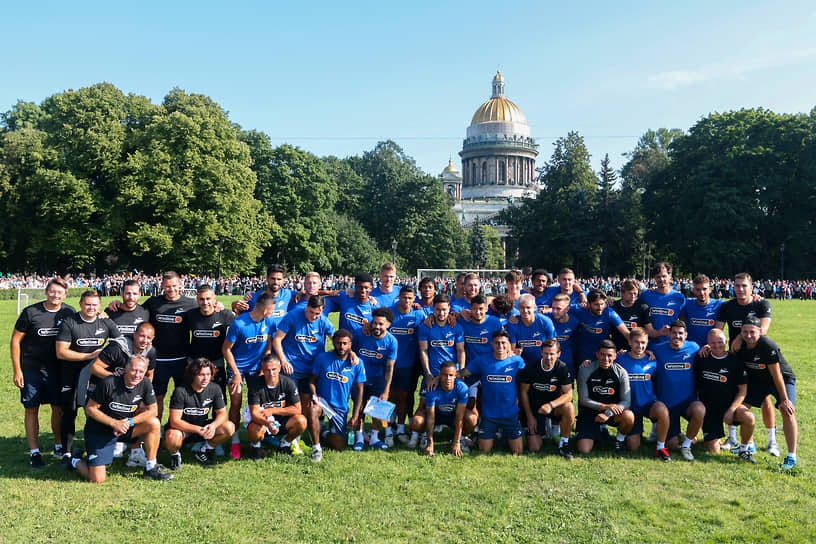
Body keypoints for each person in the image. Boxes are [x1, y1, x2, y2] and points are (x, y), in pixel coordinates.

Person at [71, 355, 172, 482]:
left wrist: (129, 422)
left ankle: (151, 468)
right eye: (134, 370)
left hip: (125, 428)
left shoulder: (145, 383)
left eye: (141, 371)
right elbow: (90, 409)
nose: (137, 375)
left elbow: (153, 410)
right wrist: (114, 423)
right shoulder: (109, 382)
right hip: (100, 431)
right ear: (126, 368)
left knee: (154, 423)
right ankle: (75, 460)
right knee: (97, 479)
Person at [10, 277, 75, 466]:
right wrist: (17, 370)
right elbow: (15, 341)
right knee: (31, 409)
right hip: (31, 369)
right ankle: (34, 452)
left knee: (58, 408)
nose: (56, 295)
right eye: (52, 291)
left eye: (60, 292)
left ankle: (58, 445)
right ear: (46, 292)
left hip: (57, 370)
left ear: (65, 294)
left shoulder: (69, 312)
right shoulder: (31, 312)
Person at [56, 290, 121, 468]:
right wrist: (89, 356)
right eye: (87, 304)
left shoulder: (105, 321)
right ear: (80, 304)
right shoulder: (70, 322)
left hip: (97, 375)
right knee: (69, 412)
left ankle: (95, 448)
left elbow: (121, 342)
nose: (91, 307)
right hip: (71, 374)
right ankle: (66, 453)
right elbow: (61, 352)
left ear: (99, 306)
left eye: (94, 304)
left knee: (96, 412)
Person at [714, 272, 777, 456]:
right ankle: (733, 438)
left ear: (752, 288)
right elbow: (718, 330)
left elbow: (763, 330)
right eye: (737, 286)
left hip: (759, 358)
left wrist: (741, 336)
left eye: (744, 286)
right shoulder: (727, 306)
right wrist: (716, 346)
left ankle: (772, 441)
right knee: (734, 395)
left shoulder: (761, 304)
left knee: (764, 398)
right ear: (732, 287)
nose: (740, 289)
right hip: (737, 359)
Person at [88, 322, 157, 467]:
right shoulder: (117, 348)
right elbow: (94, 368)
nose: (145, 340)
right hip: (107, 392)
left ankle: (136, 453)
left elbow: (150, 374)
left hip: (130, 392)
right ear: (134, 335)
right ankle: (113, 443)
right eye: (142, 336)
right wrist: (115, 379)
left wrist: (143, 393)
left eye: (148, 337)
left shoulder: (150, 351)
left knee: (144, 411)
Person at [735, 317, 798, 469]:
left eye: (752, 332)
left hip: (782, 379)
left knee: (787, 410)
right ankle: (748, 445)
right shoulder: (740, 344)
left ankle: (791, 456)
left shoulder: (768, 345)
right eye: (745, 332)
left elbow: (777, 375)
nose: (748, 335)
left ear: (760, 331)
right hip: (759, 379)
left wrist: (784, 400)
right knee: (741, 408)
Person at [221, 292, 278, 459]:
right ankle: (235, 440)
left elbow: (268, 345)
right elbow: (226, 349)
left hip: (257, 367)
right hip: (237, 368)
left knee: (259, 404)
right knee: (236, 403)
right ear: (266, 309)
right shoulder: (239, 323)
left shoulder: (269, 322)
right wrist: (236, 373)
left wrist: (264, 364)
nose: (273, 312)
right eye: (272, 309)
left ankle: (257, 441)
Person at [141, 271, 197, 420]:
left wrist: (218, 305)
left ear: (180, 285)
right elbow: (135, 313)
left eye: (174, 286)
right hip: (159, 359)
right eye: (167, 286)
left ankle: (181, 430)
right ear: (162, 286)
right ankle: (157, 430)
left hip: (182, 359)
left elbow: (206, 313)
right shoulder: (153, 302)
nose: (171, 289)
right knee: (158, 397)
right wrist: (116, 305)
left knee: (184, 397)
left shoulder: (191, 304)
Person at [458, 330, 526, 454]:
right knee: (484, 450)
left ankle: (505, 436)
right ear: (492, 344)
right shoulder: (482, 361)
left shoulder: (517, 361)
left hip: (510, 414)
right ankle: (496, 435)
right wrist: (442, 377)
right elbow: (462, 373)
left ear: (509, 344)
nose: (500, 346)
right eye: (497, 343)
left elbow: (526, 382)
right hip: (489, 415)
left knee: (518, 451)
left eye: (503, 343)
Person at [694, 329, 755, 462]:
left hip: (730, 407)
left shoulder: (735, 361)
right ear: (708, 343)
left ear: (726, 341)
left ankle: (744, 449)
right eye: (713, 343)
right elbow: (696, 387)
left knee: (749, 417)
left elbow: (742, 391)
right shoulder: (702, 358)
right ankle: (713, 437)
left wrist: (731, 410)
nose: (717, 346)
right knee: (714, 452)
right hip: (709, 410)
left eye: (720, 342)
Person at [307, 330, 366, 462]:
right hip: (323, 402)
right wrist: (314, 395)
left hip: (340, 408)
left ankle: (324, 432)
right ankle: (317, 448)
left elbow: (360, 390)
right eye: (339, 343)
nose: (342, 346)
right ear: (333, 342)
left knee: (339, 446)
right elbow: (312, 380)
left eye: (345, 343)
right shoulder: (322, 358)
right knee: (312, 410)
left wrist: (356, 416)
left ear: (350, 344)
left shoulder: (357, 363)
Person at [165, 357, 234, 468]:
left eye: (208, 374)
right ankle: (175, 455)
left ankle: (204, 450)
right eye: (201, 374)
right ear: (193, 374)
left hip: (204, 427)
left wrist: (212, 426)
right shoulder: (181, 391)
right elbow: (174, 421)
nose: (205, 378)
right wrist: (198, 430)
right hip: (183, 429)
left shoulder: (215, 388)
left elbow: (222, 414)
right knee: (172, 436)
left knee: (229, 427)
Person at [271, 295, 335, 415]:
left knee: (308, 402)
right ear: (307, 306)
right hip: (292, 367)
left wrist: (339, 350)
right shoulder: (293, 316)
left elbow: (336, 339)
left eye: (318, 313)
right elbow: (277, 339)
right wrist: (284, 361)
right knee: (291, 403)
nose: (314, 316)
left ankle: (306, 428)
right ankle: (293, 431)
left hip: (312, 369)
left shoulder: (323, 320)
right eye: (312, 312)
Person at [652, 320, 705, 461]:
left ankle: (687, 446)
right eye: (674, 333)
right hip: (667, 403)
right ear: (669, 333)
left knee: (700, 410)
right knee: (672, 446)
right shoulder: (657, 349)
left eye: (680, 333)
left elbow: (704, 358)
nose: (677, 336)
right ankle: (677, 434)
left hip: (688, 401)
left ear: (686, 335)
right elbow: (642, 354)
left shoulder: (694, 347)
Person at [615, 328, 671, 460]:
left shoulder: (652, 360)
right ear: (629, 342)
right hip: (629, 406)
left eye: (643, 343)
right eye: (636, 342)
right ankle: (623, 436)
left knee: (662, 410)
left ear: (647, 343)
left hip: (647, 403)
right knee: (633, 447)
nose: (640, 346)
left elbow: (658, 380)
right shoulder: (619, 359)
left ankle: (661, 448)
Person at [518, 339, 575, 459]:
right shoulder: (531, 367)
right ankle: (535, 430)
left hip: (552, 407)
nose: (548, 357)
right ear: (541, 353)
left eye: (552, 354)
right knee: (534, 447)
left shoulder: (562, 368)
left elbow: (569, 394)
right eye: (546, 353)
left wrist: (551, 405)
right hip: (535, 408)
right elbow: (523, 392)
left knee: (569, 407)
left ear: (558, 354)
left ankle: (563, 443)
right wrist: (529, 417)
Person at [351, 307, 397, 451]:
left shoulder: (392, 341)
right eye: (375, 323)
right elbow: (349, 348)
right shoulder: (361, 333)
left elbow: (390, 367)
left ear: (388, 324)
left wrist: (386, 389)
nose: (376, 326)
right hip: (359, 378)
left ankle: (375, 438)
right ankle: (359, 438)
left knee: (377, 407)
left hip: (377, 377)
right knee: (359, 407)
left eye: (381, 324)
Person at [576, 340, 634, 454]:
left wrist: (607, 413)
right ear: (597, 354)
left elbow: (626, 401)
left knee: (629, 416)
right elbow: (583, 400)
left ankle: (619, 440)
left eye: (609, 355)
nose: (606, 359)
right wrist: (604, 407)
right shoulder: (585, 370)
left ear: (615, 356)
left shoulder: (621, 373)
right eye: (602, 354)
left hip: (611, 413)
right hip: (589, 413)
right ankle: (596, 432)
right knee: (584, 450)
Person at [246, 355, 308, 459]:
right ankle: (256, 446)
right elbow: (254, 414)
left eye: (274, 369)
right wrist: (268, 424)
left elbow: (297, 409)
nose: (271, 373)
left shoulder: (288, 383)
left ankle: (285, 443)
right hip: (263, 422)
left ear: (279, 368)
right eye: (267, 370)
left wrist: (273, 410)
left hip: (282, 421)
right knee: (253, 429)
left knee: (301, 421)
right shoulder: (255, 386)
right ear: (262, 370)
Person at [412, 361, 477, 456]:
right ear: (439, 375)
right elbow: (430, 417)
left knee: (472, 418)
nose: (448, 378)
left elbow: (459, 417)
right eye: (445, 375)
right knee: (416, 421)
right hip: (436, 416)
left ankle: (461, 439)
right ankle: (426, 437)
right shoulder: (432, 387)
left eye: (451, 375)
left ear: (456, 375)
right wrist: (430, 443)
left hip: (453, 417)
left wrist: (456, 442)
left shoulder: (462, 388)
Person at [387, 286, 425, 444]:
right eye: (404, 297)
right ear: (399, 297)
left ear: (414, 299)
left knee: (403, 397)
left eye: (410, 298)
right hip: (388, 363)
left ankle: (401, 430)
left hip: (407, 364)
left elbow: (429, 325)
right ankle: (388, 430)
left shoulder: (418, 315)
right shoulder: (389, 312)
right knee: (388, 398)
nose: (407, 301)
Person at [185, 284, 235, 404]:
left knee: (219, 399)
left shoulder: (225, 315)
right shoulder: (190, 315)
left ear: (214, 299)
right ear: (197, 300)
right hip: (194, 363)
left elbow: (243, 323)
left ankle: (217, 421)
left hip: (217, 363)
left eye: (208, 299)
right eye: (201, 299)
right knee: (191, 399)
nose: (205, 302)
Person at [573, 289, 629, 364]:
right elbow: (561, 309)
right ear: (588, 304)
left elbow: (626, 333)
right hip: (584, 354)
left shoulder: (609, 312)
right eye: (596, 304)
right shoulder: (580, 310)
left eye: (602, 304)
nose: (600, 307)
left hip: (603, 354)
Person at [639, 262, 686, 347]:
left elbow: (682, 322)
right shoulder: (646, 295)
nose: (661, 279)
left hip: (670, 346)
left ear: (670, 276)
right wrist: (611, 300)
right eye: (658, 277)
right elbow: (630, 305)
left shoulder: (679, 297)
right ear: (654, 278)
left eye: (664, 276)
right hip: (648, 347)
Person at [506, 294, 556, 366]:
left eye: (528, 307)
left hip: (542, 362)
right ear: (518, 308)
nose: (525, 311)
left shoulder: (545, 321)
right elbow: (512, 349)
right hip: (523, 363)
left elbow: (553, 345)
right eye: (522, 307)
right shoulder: (513, 323)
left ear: (534, 308)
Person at [681, 274, 724, 348]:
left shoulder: (719, 305)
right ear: (693, 290)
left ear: (710, 289)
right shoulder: (686, 303)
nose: (701, 293)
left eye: (704, 289)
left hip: (710, 349)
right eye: (698, 289)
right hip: (690, 351)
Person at [544, 293, 580, 377]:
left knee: (568, 388)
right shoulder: (546, 319)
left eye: (558, 309)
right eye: (553, 308)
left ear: (567, 309)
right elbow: (531, 316)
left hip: (567, 362)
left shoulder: (575, 322)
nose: (554, 311)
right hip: (549, 362)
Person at [611, 279, 650, 352]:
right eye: (630, 293)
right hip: (617, 351)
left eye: (635, 294)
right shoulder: (614, 307)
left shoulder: (642, 308)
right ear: (622, 293)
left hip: (635, 351)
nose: (633, 296)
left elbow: (648, 331)